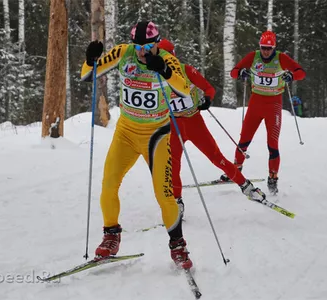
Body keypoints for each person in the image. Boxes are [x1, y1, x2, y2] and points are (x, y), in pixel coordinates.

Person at [81, 21, 193, 269]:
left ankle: (178, 244)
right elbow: (87, 75)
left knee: (164, 195)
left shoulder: (166, 59)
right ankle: (111, 235)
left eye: (147, 46)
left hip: (157, 134)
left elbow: (185, 91)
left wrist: (164, 71)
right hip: (126, 133)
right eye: (138, 46)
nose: (142, 51)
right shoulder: (124, 53)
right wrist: (90, 60)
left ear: (157, 43)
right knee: (108, 184)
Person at [158, 39, 266, 218]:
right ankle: (177, 202)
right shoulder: (156, 76)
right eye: (162, 56)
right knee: (173, 165)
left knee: (216, 157)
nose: (165, 60)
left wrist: (207, 99)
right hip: (173, 124)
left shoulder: (186, 70)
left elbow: (209, 88)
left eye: (168, 56)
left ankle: (246, 186)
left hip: (194, 122)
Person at [220, 31, 305, 195]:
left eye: (269, 48)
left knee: (272, 144)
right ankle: (235, 170)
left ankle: (273, 178)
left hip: (273, 105)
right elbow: (233, 71)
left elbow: (301, 72)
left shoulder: (281, 58)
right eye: (263, 48)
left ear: (274, 47)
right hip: (255, 104)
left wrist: (291, 75)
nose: (266, 51)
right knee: (244, 140)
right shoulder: (254, 56)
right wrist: (241, 73)